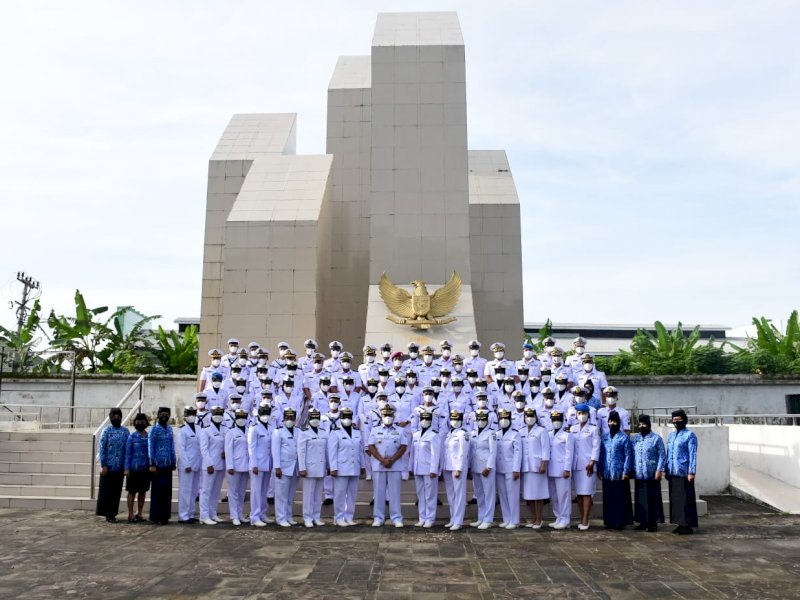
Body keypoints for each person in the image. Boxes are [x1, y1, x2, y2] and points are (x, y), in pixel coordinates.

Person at [367, 405, 408, 527]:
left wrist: (391, 460)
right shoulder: (375, 430)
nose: (387, 417)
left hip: (394, 466)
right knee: (379, 493)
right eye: (385, 415)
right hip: (379, 466)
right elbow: (371, 447)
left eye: (390, 415)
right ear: (381, 416)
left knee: (394, 493)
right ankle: (378, 518)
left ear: (394, 416)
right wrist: (382, 460)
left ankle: (396, 518)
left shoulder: (400, 430)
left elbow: (403, 447)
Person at [328, 407, 364, 526]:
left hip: (354, 467)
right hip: (341, 468)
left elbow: (360, 450)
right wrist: (333, 467)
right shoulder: (335, 432)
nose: (347, 419)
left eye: (349, 417)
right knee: (339, 493)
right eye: (345, 417)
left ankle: (349, 516)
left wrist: (363, 465)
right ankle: (338, 517)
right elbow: (332, 451)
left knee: (352, 494)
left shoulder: (357, 432)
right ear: (341, 418)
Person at [598, 411, 633, 530]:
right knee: (608, 498)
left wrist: (626, 471)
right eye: (610, 421)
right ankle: (609, 521)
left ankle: (619, 522)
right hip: (607, 472)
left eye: (614, 421)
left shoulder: (624, 438)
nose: (612, 423)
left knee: (619, 498)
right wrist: (599, 469)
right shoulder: (605, 437)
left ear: (618, 422)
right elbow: (601, 454)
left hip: (619, 473)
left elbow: (628, 455)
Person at [631, 414, 666, 532]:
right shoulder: (635, 438)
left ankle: (653, 523)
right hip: (639, 473)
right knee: (640, 499)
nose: (641, 426)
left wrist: (659, 470)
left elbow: (662, 455)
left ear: (649, 424)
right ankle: (642, 521)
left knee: (652, 499)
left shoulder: (656, 438)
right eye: (640, 424)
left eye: (644, 424)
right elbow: (632, 454)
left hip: (651, 473)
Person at [666, 409, 699, 535]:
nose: (676, 422)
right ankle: (679, 523)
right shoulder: (671, 435)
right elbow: (669, 453)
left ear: (684, 420)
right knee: (676, 500)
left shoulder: (690, 435)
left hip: (684, 472)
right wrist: (667, 468)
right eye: (674, 420)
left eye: (679, 420)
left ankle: (687, 524)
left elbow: (693, 454)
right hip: (673, 471)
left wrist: (691, 471)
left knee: (686, 499)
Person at [570, 403, 600, 531]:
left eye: (584, 414)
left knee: (587, 493)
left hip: (588, 465)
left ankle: (586, 519)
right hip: (576, 465)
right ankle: (582, 517)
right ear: (576, 415)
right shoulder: (572, 429)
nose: (582, 416)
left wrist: (592, 462)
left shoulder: (593, 429)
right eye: (579, 414)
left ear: (588, 415)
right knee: (579, 494)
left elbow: (596, 446)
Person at [96, 408, 129, 523]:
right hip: (108, 468)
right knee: (108, 492)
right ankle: (108, 514)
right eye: (114, 416)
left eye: (118, 416)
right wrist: (103, 465)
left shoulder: (125, 431)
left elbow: (127, 450)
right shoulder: (106, 431)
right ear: (110, 417)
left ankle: (113, 513)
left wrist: (126, 466)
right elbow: (102, 448)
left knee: (116, 492)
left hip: (119, 467)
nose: (116, 418)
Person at [410, 410, 441, 528]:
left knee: (430, 495)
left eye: (427, 419)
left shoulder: (434, 435)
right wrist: (411, 467)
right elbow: (413, 453)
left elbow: (436, 454)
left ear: (431, 421)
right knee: (420, 494)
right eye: (422, 419)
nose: (424, 421)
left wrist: (434, 470)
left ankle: (430, 518)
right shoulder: (416, 435)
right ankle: (422, 517)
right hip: (418, 468)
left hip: (429, 470)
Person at [298, 408, 329, 527]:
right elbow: (301, 452)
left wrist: (328, 466)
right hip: (309, 468)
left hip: (321, 467)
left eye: (317, 418)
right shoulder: (304, 433)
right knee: (308, 495)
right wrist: (302, 468)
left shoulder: (323, 432)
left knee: (318, 494)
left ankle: (316, 516)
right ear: (309, 419)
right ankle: (307, 517)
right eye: (313, 418)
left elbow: (326, 451)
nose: (315, 420)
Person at [520, 407, 550, 528]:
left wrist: (544, 463)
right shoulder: (521, 431)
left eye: (532, 416)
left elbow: (545, 448)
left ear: (536, 418)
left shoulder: (541, 431)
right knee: (529, 496)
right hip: (526, 467)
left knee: (538, 495)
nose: (530, 418)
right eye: (527, 416)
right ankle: (533, 518)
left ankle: (539, 519)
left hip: (537, 466)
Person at [148, 406, 177, 525]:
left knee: (167, 492)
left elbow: (172, 446)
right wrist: (152, 463)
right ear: (158, 415)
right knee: (157, 492)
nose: (164, 416)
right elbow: (151, 447)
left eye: (166, 414)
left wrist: (173, 461)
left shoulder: (170, 429)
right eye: (162, 414)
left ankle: (165, 516)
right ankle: (156, 516)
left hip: (168, 465)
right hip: (157, 465)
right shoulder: (154, 429)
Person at [272, 408, 300, 527]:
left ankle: (288, 516)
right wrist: (277, 467)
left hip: (295, 467)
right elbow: (275, 451)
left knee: (290, 494)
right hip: (283, 467)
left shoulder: (298, 431)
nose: (290, 420)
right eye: (287, 418)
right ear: (283, 419)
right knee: (281, 494)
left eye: (292, 418)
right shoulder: (278, 432)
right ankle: (280, 517)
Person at [443, 410, 470, 531]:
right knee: (451, 495)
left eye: (457, 419)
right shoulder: (450, 433)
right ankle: (453, 518)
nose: (454, 422)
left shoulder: (463, 434)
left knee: (459, 495)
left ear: (461, 420)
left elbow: (463, 453)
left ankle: (458, 521)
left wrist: (459, 468)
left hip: (457, 468)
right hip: (448, 467)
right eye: (452, 419)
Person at [199, 406, 226, 525]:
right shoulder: (206, 430)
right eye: (216, 414)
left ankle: (213, 513)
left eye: (220, 414)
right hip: (210, 465)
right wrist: (209, 464)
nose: (218, 416)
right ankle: (204, 515)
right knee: (206, 491)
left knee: (216, 491)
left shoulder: (225, 429)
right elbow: (204, 449)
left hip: (221, 464)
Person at [469, 410, 496, 529]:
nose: (480, 422)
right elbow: (471, 451)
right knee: (479, 494)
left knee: (488, 493)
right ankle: (481, 517)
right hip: (475, 467)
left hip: (486, 468)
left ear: (487, 421)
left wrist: (489, 467)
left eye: (483, 420)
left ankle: (488, 519)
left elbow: (493, 451)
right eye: (478, 419)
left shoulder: (491, 433)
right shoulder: (473, 432)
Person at [495, 409, 521, 529]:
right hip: (500, 468)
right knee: (503, 494)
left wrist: (516, 469)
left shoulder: (515, 434)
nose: (503, 421)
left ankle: (514, 520)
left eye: (506, 418)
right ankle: (506, 518)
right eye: (501, 419)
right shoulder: (497, 433)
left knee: (512, 495)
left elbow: (517, 453)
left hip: (511, 468)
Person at [547, 411, 574, 529]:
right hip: (551, 468)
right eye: (554, 420)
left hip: (563, 469)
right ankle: (558, 516)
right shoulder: (549, 434)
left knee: (564, 495)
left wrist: (567, 468)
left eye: (558, 419)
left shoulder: (567, 435)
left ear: (563, 421)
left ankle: (565, 519)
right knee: (554, 496)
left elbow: (569, 453)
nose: (556, 422)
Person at [248, 404, 274, 527]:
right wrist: (254, 464)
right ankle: (254, 516)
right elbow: (251, 448)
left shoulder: (271, 427)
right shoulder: (254, 428)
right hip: (257, 464)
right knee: (256, 491)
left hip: (267, 463)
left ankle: (263, 513)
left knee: (264, 491)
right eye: (263, 412)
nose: (265, 415)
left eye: (267, 412)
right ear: (258, 413)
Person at [225, 409, 250, 526]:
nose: (241, 420)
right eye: (239, 417)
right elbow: (228, 450)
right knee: (233, 492)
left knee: (241, 492)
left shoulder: (249, 430)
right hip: (234, 466)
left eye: (243, 417)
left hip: (246, 466)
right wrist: (229, 465)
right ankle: (234, 515)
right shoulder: (231, 432)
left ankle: (240, 514)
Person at [177, 406, 202, 524]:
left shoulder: (199, 428)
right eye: (189, 413)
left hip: (197, 464)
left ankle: (191, 513)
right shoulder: (182, 430)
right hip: (186, 466)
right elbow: (181, 449)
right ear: (185, 415)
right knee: (185, 491)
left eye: (193, 413)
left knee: (193, 491)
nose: (192, 416)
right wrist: (186, 464)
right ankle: (183, 515)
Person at [123, 413, 150, 523]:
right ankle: (130, 514)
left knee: (142, 492)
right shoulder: (131, 437)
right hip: (133, 469)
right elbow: (128, 453)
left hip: (145, 468)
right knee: (132, 492)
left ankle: (139, 513)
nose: (141, 423)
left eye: (143, 421)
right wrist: (126, 468)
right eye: (138, 421)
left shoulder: (149, 436)